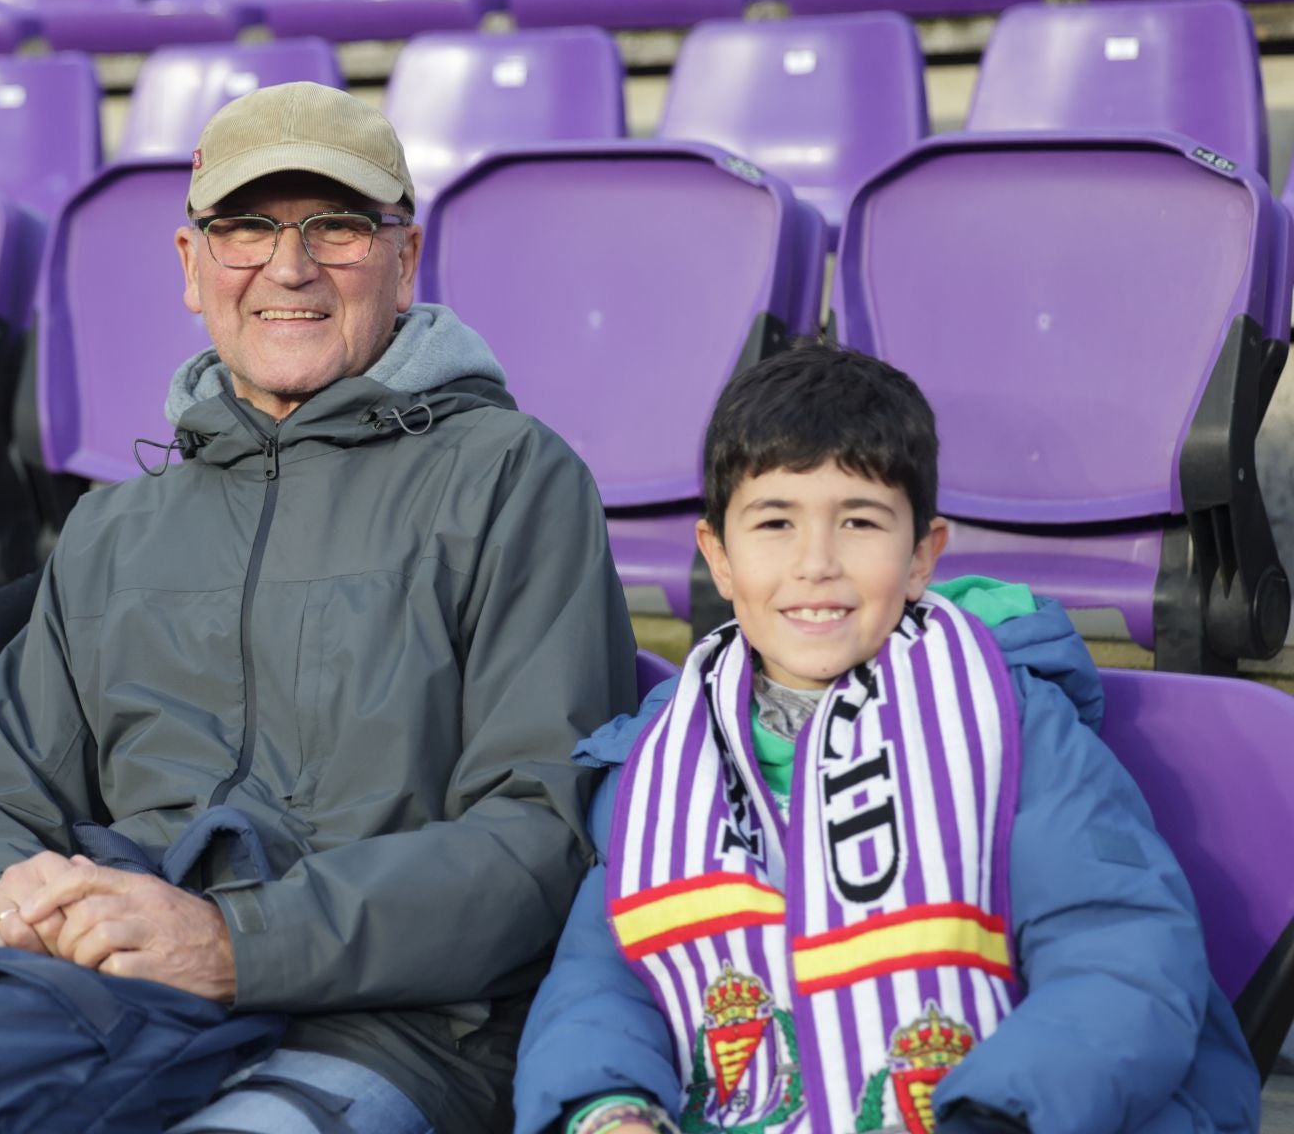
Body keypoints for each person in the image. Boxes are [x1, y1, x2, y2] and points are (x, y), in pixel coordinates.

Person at [0, 81, 639, 1134]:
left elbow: (539, 836)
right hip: (100, 1010)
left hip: (393, 1028)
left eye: (335, 225)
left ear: (404, 254)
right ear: (192, 265)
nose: (287, 266)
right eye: (246, 228)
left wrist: (234, 942)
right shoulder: (116, 527)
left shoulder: (512, 477)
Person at [511, 341, 1260, 1134]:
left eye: (860, 522)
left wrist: (993, 1118)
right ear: (719, 560)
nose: (816, 564)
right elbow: (605, 979)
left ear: (921, 557)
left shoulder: (1012, 728)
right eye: (774, 522)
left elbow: (1120, 955)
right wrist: (607, 1107)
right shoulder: (661, 763)